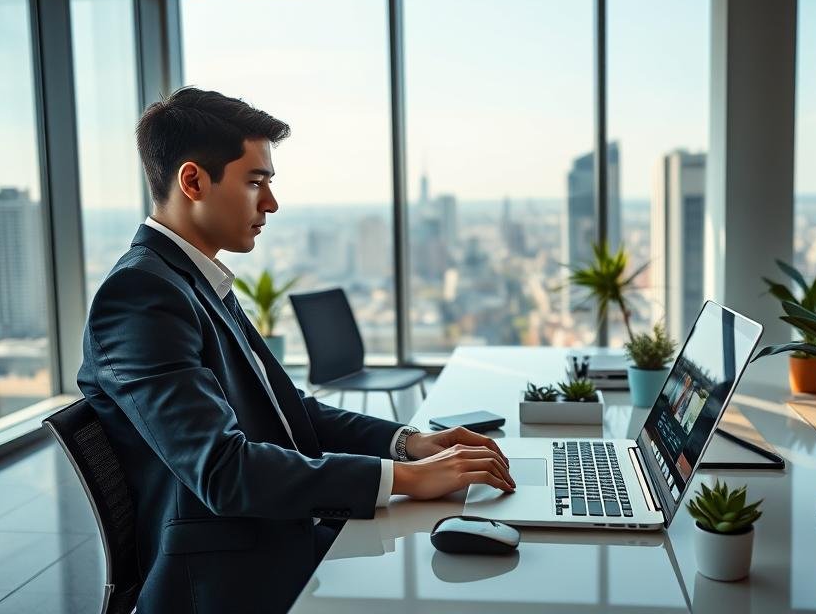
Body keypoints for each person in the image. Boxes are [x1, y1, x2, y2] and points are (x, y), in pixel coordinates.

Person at [77, 87, 516, 614]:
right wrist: (406, 480)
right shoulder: (142, 296)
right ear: (192, 180)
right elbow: (223, 470)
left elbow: (290, 413)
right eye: (255, 182)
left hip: (279, 536)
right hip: (228, 580)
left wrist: (409, 444)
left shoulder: (191, 280)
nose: (271, 203)